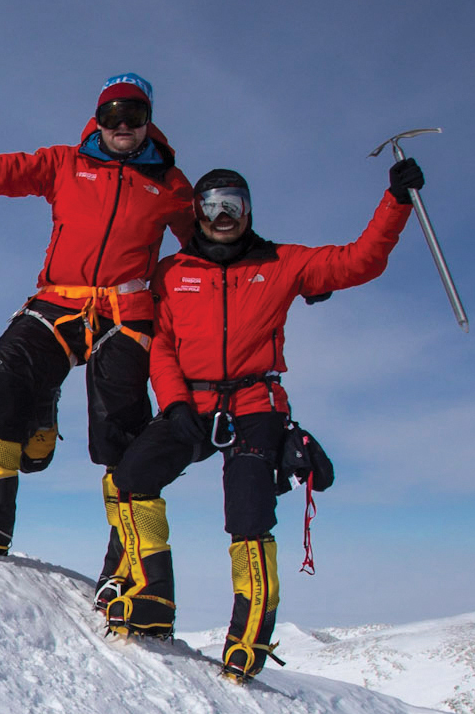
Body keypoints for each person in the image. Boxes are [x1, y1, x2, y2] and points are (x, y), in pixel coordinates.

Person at [100, 157, 425, 680]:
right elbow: (162, 344)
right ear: (197, 213)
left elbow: (360, 262)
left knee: (249, 515)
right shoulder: (173, 271)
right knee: (128, 479)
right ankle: (153, 596)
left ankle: (248, 639)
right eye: (211, 205)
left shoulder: (283, 262)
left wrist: (396, 202)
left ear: (249, 210)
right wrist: (175, 402)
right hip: (194, 403)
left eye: (234, 203)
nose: (222, 214)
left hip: (256, 406)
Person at [0, 74, 195, 565]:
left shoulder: (170, 184)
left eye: (134, 115)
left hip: (125, 312)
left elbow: (205, 251)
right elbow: (5, 172)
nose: (123, 125)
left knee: (120, 432)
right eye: (112, 115)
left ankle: (126, 564)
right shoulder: (65, 162)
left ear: (148, 121)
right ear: (98, 120)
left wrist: (273, 277)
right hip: (58, 302)